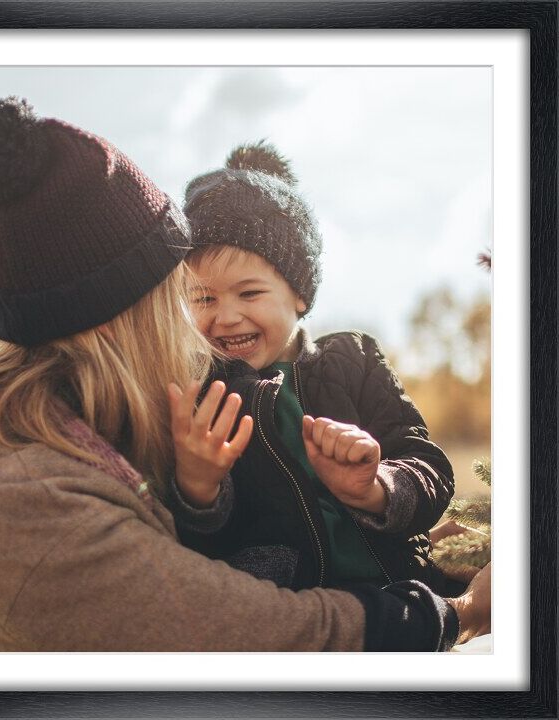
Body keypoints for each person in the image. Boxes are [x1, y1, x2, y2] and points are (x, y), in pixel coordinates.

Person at [0, 95, 488, 653]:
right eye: (187, 291)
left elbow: (417, 459)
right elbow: (251, 633)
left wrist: (386, 497)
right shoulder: (37, 505)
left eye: (249, 292)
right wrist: (460, 615)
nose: (210, 318)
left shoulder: (90, 427)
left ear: (300, 294)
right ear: (116, 318)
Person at [170, 142, 464, 596]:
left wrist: (376, 487)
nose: (226, 317)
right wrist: (197, 486)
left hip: (404, 592)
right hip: (291, 613)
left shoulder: (353, 360)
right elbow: (194, 545)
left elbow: (430, 467)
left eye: (249, 294)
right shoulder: (201, 392)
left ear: (299, 295)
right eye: (205, 298)